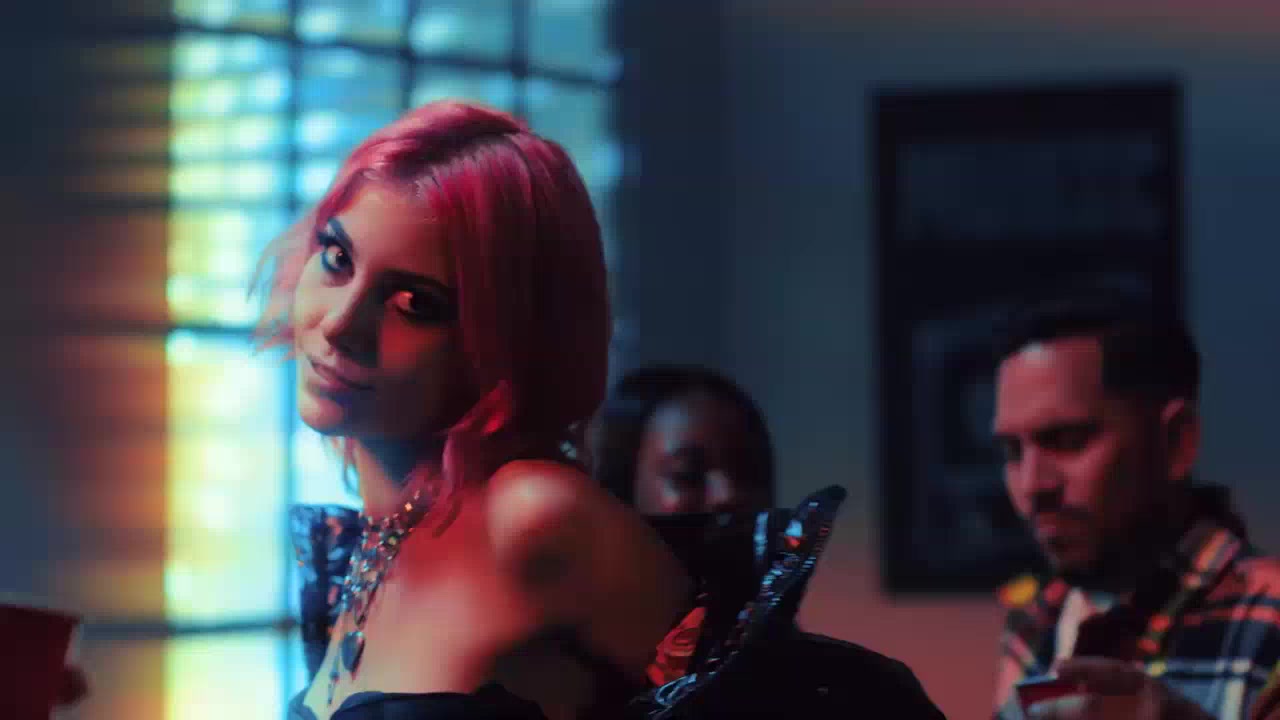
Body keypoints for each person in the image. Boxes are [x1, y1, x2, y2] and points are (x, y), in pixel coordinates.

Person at [274, 101, 690, 720]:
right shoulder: (376, 533)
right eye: (338, 259)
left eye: (415, 303)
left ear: (506, 339)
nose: (340, 325)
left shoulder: (534, 515)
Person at [590, 365, 947, 719]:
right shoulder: (580, 689)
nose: (728, 495)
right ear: (620, 490)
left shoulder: (862, 690)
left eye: (750, 472)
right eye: (688, 475)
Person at [989, 289, 1280, 720]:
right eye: (1013, 451)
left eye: (1068, 440)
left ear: (1175, 441)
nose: (1032, 485)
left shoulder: (1271, 620)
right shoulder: (1035, 622)